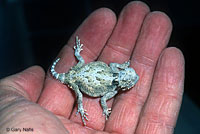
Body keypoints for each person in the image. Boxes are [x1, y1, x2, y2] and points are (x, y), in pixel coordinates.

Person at [0, 1, 184, 134]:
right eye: (131, 74)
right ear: (124, 80)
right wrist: (105, 110)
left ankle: (75, 56)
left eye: (130, 75)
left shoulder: (113, 74)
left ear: (125, 81)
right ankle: (79, 105)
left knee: (80, 68)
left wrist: (121, 67)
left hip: (81, 69)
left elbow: (108, 81)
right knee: (78, 94)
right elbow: (103, 100)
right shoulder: (112, 88)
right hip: (77, 79)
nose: (133, 76)